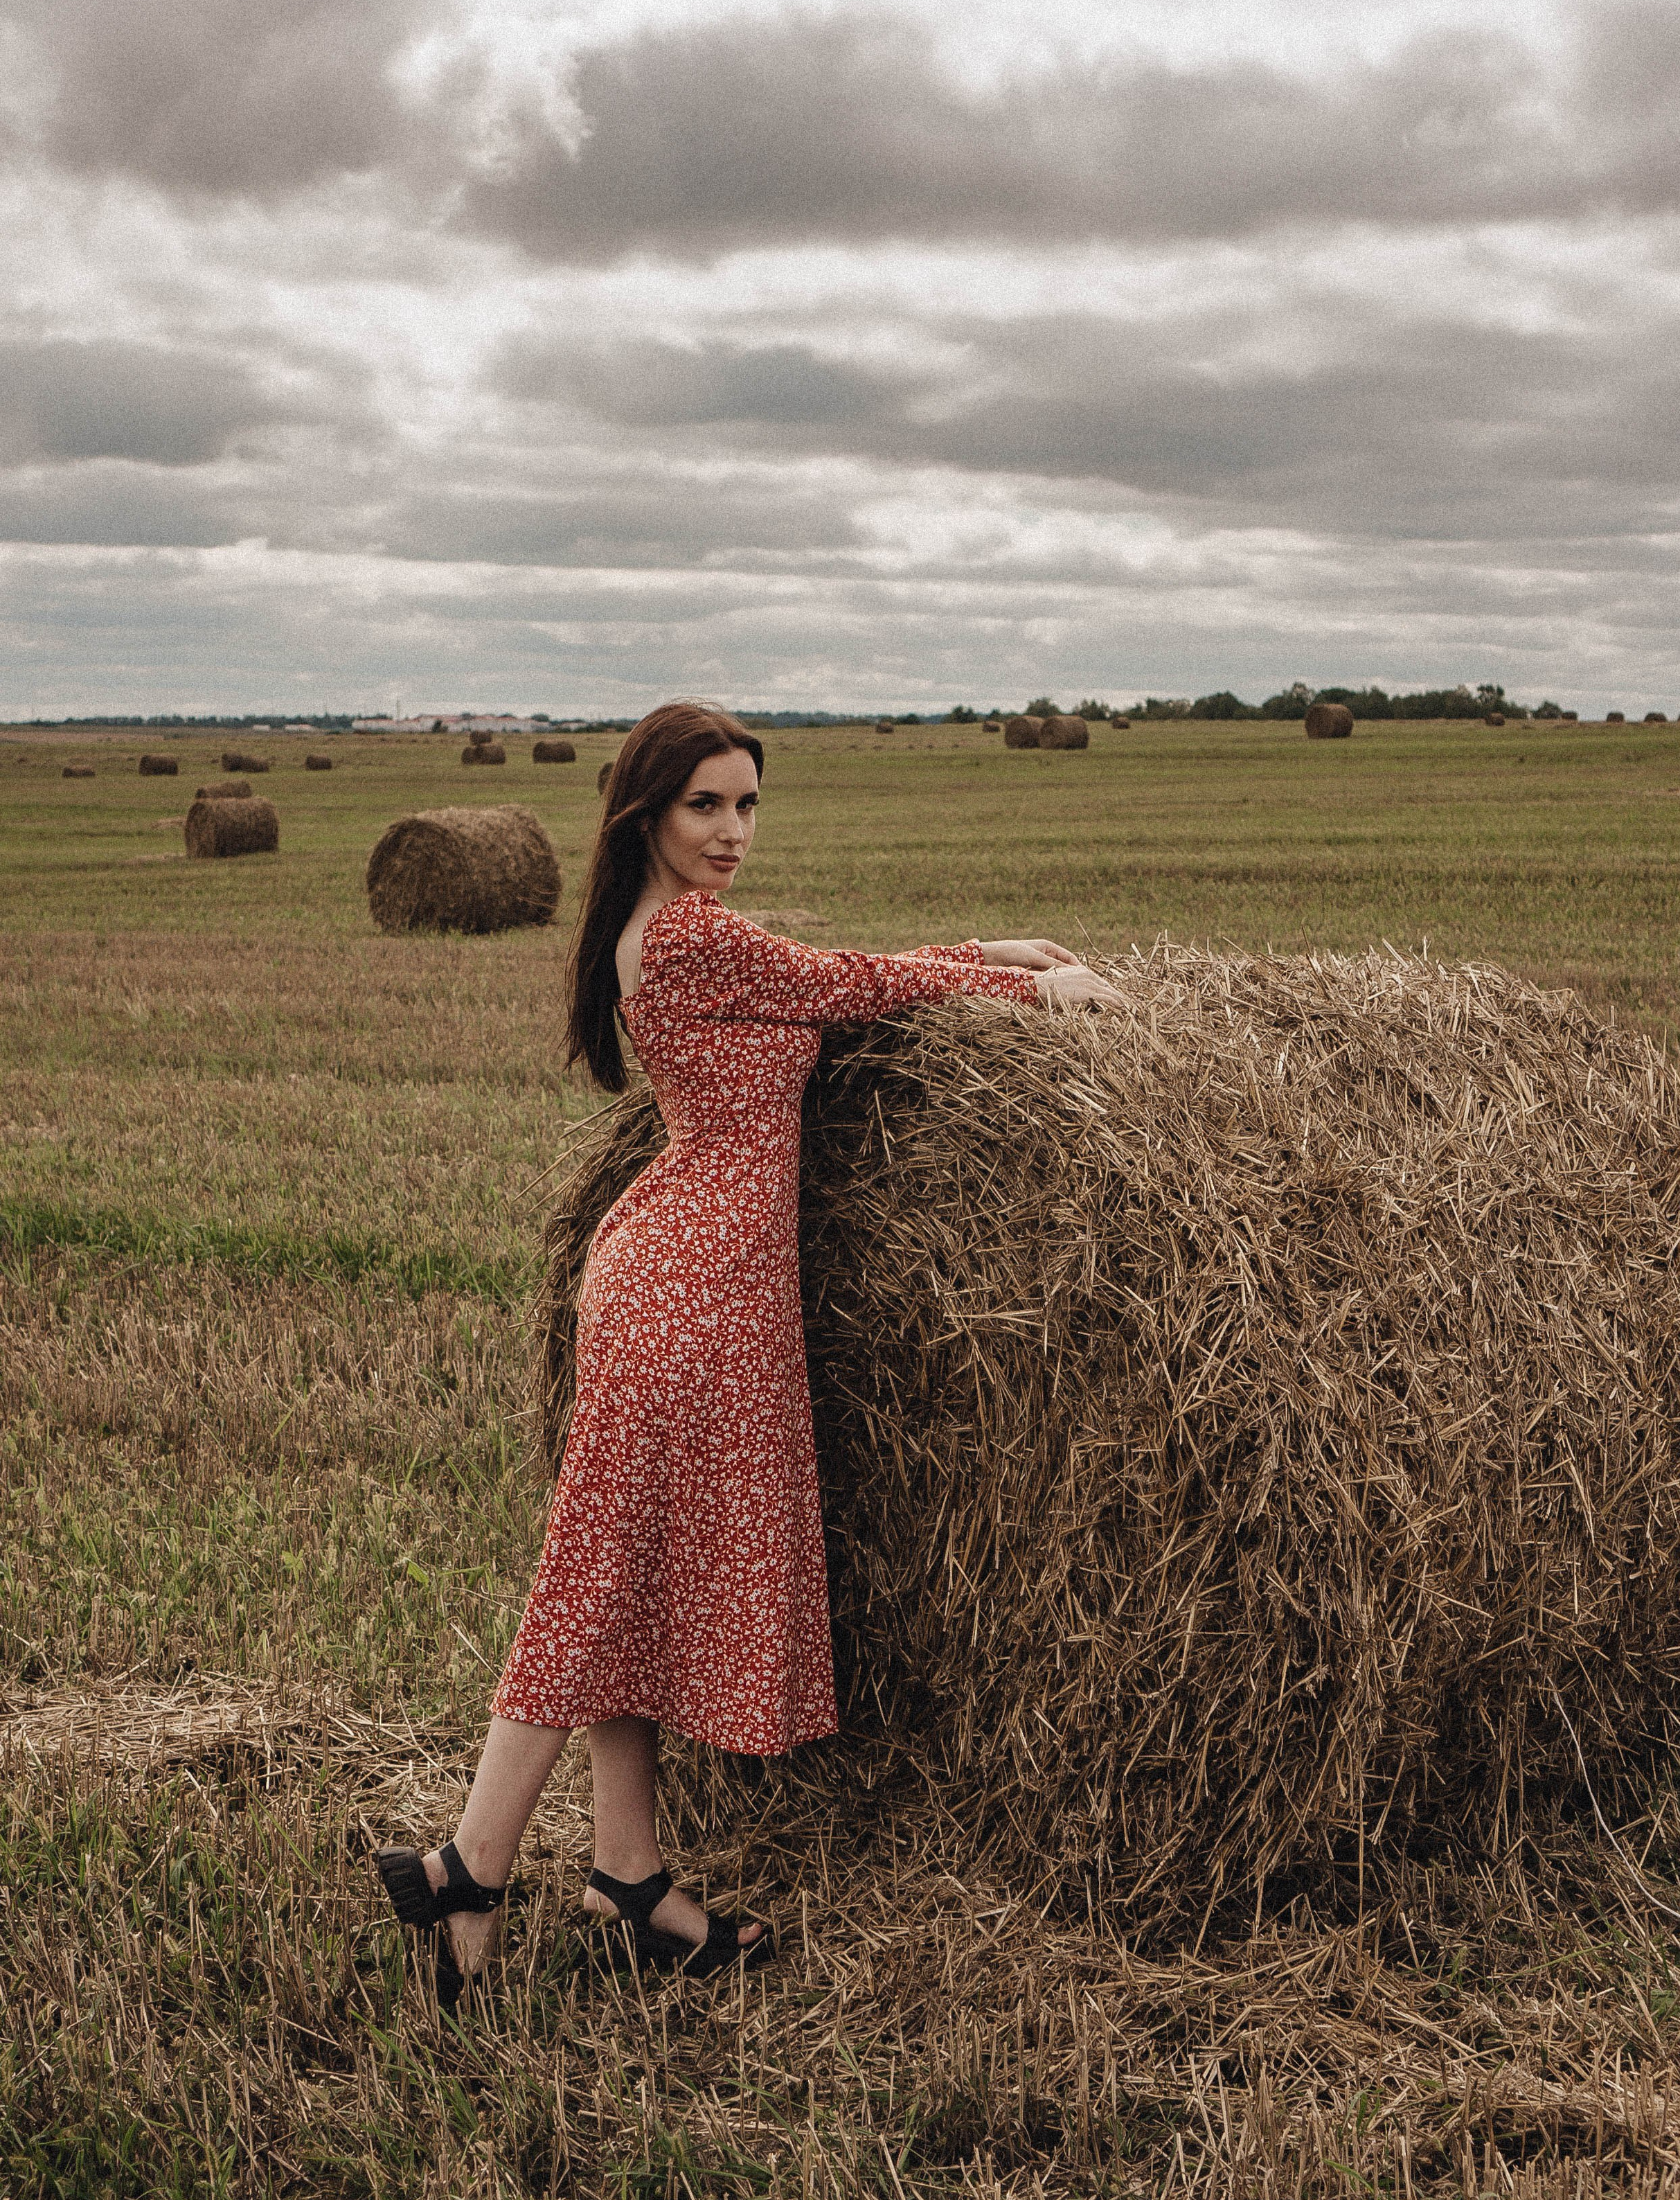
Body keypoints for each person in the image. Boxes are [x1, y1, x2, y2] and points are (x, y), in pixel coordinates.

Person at [376, 700, 1127, 2003]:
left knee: (628, 1574)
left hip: (686, 1274)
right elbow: (850, 987)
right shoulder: (689, 938)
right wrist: (1029, 987)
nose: (731, 831)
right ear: (646, 814)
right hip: (691, 1290)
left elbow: (831, 976)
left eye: (747, 804)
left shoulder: (682, 935)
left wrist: (985, 943)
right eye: (704, 806)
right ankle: (468, 1867)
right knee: (595, 1580)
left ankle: (629, 1874)